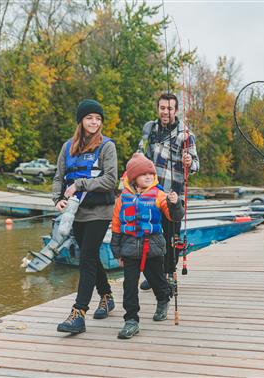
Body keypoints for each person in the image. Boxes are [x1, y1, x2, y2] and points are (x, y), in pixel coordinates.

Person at [53, 99, 118, 333]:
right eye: (90, 117)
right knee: (89, 256)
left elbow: (111, 179)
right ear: (81, 120)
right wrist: (57, 198)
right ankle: (107, 296)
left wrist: (80, 184)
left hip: (99, 211)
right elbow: (59, 177)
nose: (94, 122)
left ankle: (78, 313)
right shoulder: (67, 147)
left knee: (87, 257)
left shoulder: (107, 146)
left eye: (98, 119)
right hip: (75, 213)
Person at [110, 153, 184, 339]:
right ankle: (131, 320)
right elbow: (117, 225)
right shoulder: (123, 198)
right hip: (129, 248)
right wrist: (117, 251)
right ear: (134, 177)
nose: (149, 177)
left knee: (156, 279)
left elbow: (173, 217)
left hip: (153, 247)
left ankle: (163, 298)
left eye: (151, 173)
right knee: (129, 286)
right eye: (144, 174)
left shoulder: (159, 195)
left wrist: (175, 204)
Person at [137, 93, 199, 289]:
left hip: (173, 195)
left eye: (169, 108)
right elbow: (141, 153)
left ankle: (169, 275)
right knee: (151, 235)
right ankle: (155, 275)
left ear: (176, 110)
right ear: (158, 109)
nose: (165, 112)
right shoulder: (150, 128)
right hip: (150, 193)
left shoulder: (186, 135)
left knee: (171, 238)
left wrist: (190, 162)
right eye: (162, 108)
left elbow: (196, 165)